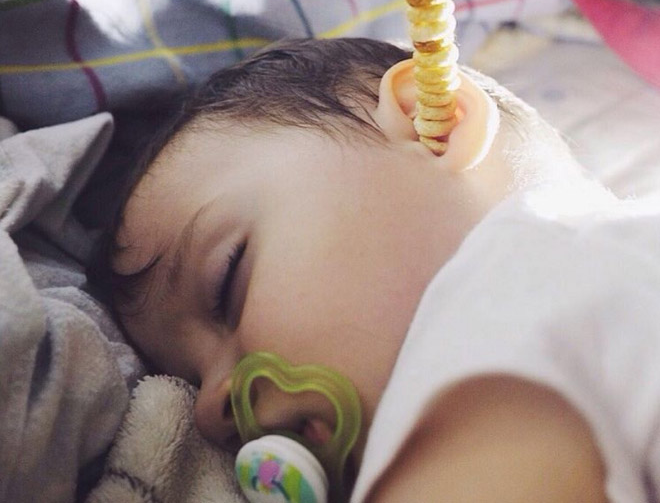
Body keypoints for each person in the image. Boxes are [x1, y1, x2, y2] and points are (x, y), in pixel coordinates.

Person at [88, 37, 660, 503]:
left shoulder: (518, 269)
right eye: (191, 377)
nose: (213, 410)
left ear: (428, 119)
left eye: (227, 283)